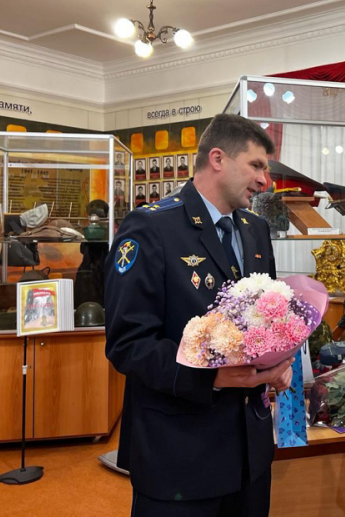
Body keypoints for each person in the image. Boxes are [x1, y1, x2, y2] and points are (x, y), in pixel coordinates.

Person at [105, 114, 293, 516]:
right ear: (218, 158)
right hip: (180, 454)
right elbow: (128, 344)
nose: (266, 181)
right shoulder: (150, 227)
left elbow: (266, 320)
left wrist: (279, 360)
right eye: (257, 166)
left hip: (249, 454)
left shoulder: (255, 229)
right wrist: (210, 376)